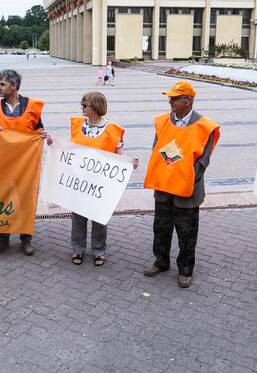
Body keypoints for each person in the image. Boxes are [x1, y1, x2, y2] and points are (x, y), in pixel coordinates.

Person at [142, 80, 219, 288]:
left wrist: (181, 176)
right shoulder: (162, 121)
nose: (170, 102)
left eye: (174, 99)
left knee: (187, 232)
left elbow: (202, 161)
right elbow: (157, 150)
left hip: (187, 191)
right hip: (164, 187)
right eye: (169, 98)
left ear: (187, 101)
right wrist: (171, 167)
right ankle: (161, 261)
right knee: (161, 227)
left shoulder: (205, 127)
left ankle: (185, 269)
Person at [46, 91, 136, 266]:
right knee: (78, 216)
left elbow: (118, 154)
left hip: (100, 183)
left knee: (99, 217)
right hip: (80, 181)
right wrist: (54, 144)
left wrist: (129, 161)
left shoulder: (112, 130)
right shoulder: (78, 124)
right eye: (82, 104)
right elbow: (70, 148)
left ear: (95, 108)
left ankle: (99, 250)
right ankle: (77, 249)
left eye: (84, 105)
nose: (82, 107)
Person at [0, 69, 45, 256]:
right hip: (1, 164)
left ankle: (26, 238)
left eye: (2, 84)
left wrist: (43, 135)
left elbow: (39, 130)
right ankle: (3, 238)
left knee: (25, 200)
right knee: (1, 200)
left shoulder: (32, 107)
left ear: (14, 86)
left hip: (25, 166)